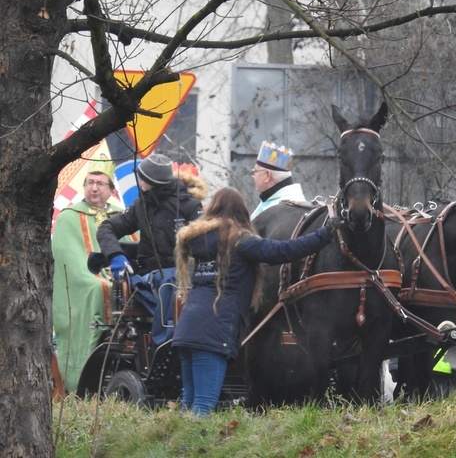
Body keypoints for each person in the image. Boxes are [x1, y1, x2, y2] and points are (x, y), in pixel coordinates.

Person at [172, 187, 341, 416]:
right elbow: (285, 251)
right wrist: (325, 233)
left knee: (188, 404)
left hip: (187, 328)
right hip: (214, 329)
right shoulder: (240, 241)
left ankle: (177, 444)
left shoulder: (198, 242)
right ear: (241, 212)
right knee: (203, 406)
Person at [96, 153, 207, 345]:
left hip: (186, 276)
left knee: (172, 280)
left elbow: (205, 242)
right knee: (167, 282)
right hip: (152, 276)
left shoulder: (190, 206)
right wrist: (116, 255)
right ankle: (164, 343)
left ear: (152, 183)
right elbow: (107, 228)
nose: (139, 182)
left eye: (142, 179)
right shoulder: (141, 205)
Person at [52, 155, 127, 393]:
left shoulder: (120, 216)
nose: (94, 188)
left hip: (117, 276)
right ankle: (80, 377)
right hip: (83, 282)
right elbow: (70, 261)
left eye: (100, 183)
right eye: (89, 182)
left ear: (111, 190)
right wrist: (99, 278)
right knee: (100, 287)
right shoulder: (68, 216)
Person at [250, 141, 306, 220]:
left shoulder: (281, 208)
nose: (253, 176)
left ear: (267, 175)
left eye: (254, 171)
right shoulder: (271, 199)